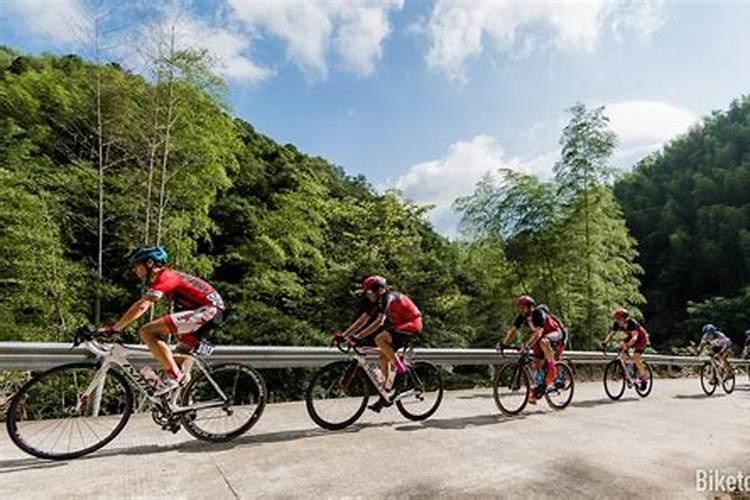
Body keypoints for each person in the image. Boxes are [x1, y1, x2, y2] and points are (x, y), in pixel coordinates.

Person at [101, 246, 225, 395]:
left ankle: (173, 377)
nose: (135, 271)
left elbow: (142, 306)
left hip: (208, 310)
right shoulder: (168, 277)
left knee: (146, 331)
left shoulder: (166, 276)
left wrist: (115, 329)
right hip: (211, 311)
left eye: (137, 266)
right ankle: (182, 410)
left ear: (150, 263)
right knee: (179, 357)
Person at [338, 275, 422, 412]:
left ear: (379, 290)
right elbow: (363, 319)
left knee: (380, 339)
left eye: (369, 292)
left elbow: (379, 322)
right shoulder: (378, 301)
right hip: (399, 326)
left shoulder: (389, 298)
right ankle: (386, 394)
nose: (368, 295)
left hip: (412, 324)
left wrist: (358, 337)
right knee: (383, 355)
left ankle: (402, 371)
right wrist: (344, 335)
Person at [501, 295, 567, 404]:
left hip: (555, 333)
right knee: (537, 364)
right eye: (519, 307)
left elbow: (539, 332)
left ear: (530, 307)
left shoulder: (538, 314)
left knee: (542, 341)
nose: (520, 310)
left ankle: (552, 370)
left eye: (523, 307)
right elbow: (512, 331)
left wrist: (527, 345)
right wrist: (504, 343)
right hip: (540, 337)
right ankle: (539, 390)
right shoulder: (522, 317)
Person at [601, 308, 650, 390]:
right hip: (631, 337)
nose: (618, 321)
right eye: (617, 319)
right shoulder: (617, 324)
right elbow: (611, 334)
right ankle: (628, 375)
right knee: (622, 353)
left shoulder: (632, 323)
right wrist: (604, 343)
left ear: (625, 319)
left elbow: (635, 337)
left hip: (641, 338)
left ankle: (644, 378)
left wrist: (627, 345)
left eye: (620, 319)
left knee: (636, 357)